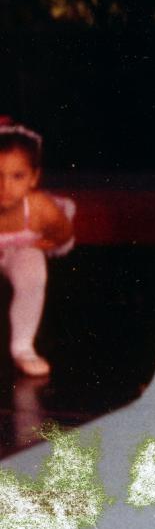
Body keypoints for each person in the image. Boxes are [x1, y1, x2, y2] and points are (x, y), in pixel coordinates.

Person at [0, 119, 74, 377]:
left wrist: (54, 241)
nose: (5, 187)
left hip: (20, 250)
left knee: (33, 272)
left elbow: (64, 230)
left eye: (17, 176)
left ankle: (23, 347)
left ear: (33, 178)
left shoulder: (40, 207)